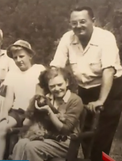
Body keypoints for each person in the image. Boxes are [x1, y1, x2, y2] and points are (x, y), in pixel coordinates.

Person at [50, 6, 122, 161]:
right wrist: (49, 87)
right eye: (74, 23)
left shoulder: (105, 38)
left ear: (93, 21)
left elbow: (108, 71)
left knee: (102, 140)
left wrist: (101, 101)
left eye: (82, 21)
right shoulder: (67, 38)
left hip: (109, 90)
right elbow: (56, 66)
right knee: (84, 136)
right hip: (85, 89)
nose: (78, 26)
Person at [11, 67, 83, 161]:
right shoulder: (46, 99)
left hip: (66, 142)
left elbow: (65, 130)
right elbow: (26, 123)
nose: (57, 89)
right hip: (46, 137)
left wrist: (49, 111)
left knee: (32, 147)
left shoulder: (74, 100)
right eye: (52, 86)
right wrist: (32, 109)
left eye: (59, 84)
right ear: (47, 87)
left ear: (67, 82)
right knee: (21, 144)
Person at [0, 40, 46, 160]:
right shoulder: (12, 73)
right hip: (17, 111)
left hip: (35, 112)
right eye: (15, 57)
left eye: (21, 56)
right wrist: (4, 114)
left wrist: (32, 113)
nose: (18, 60)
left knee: (27, 133)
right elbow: (9, 97)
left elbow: (41, 94)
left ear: (30, 55)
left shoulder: (39, 69)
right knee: (0, 128)